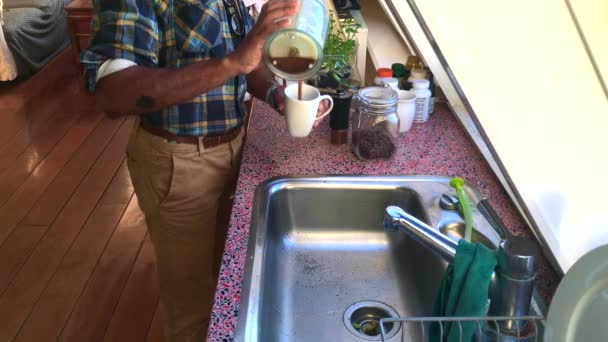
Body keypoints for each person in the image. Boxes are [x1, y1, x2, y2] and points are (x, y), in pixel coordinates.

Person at [81, 0, 327, 341]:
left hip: (233, 148)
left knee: (227, 276)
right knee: (191, 306)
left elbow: (243, 60)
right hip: (178, 162)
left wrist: (274, 93)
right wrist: (233, 61)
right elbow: (114, 93)